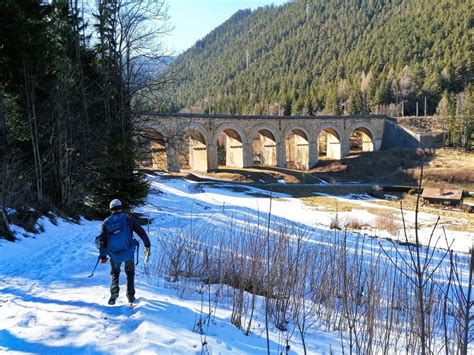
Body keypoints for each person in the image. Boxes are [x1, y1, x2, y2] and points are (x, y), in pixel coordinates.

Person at [98, 199, 151, 305]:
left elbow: (102, 241)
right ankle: (130, 296)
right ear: (121, 207)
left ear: (111, 209)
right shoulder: (128, 219)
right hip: (128, 253)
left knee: (114, 273)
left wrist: (103, 256)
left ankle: (114, 293)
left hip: (114, 255)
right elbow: (141, 232)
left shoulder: (106, 222)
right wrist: (147, 244)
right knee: (130, 273)